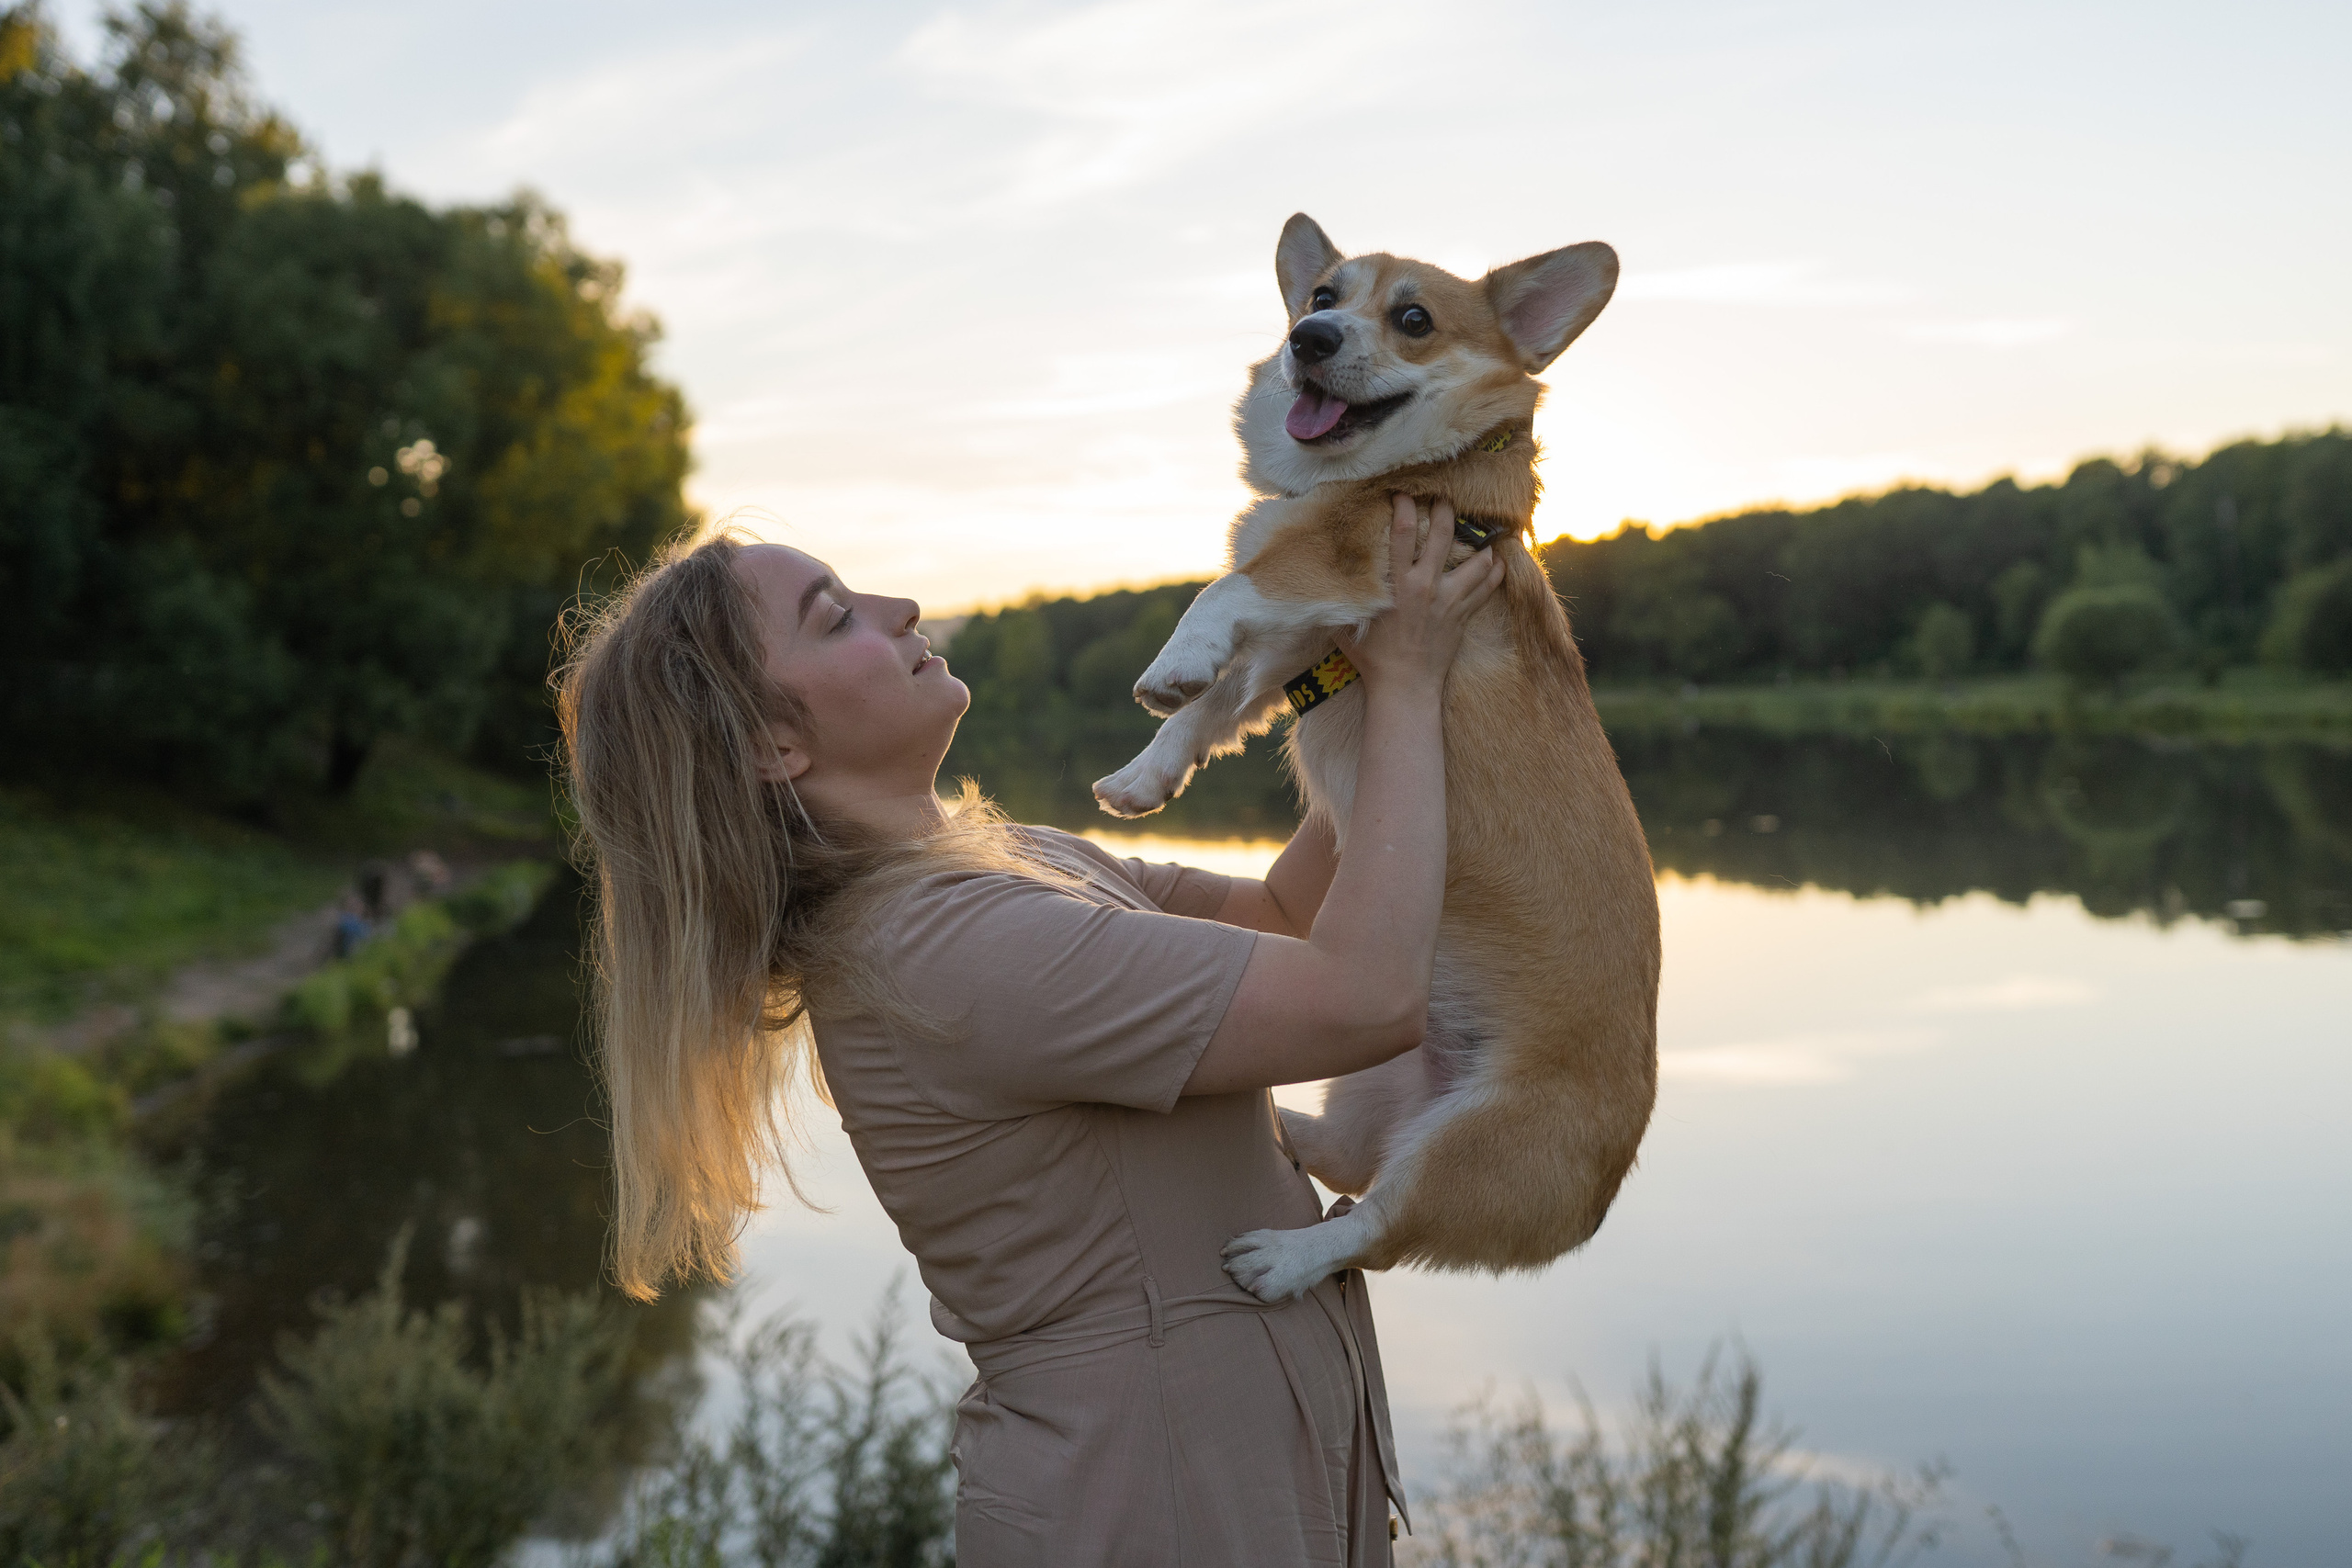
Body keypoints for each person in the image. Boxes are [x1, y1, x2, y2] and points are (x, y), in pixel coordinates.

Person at [556, 498, 1502, 1567]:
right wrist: (1412, 686)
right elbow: (1363, 995)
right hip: (1151, 1501)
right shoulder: (945, 948)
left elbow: (1291, 923)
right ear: (774, 743)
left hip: (1218, 1476)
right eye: (835, 617)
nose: (900, 606)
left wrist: (1356, 673)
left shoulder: (1015, 867)